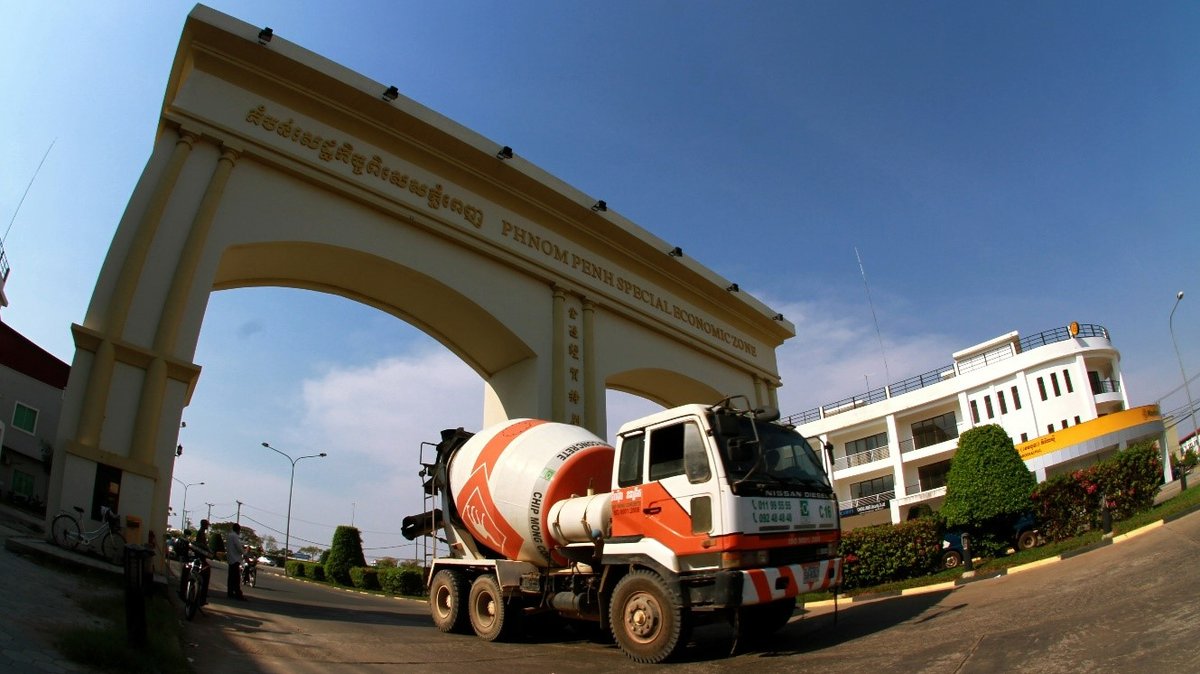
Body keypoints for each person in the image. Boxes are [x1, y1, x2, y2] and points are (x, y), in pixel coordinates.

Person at [179, 519, 212, 605]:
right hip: (199, 556)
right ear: (204, 525)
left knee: (206, 571)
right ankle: (199, 597)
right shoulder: (200, 533)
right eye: (206, 524)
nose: (207, 526)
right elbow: (200, 545)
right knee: (189, 568)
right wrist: (206, 549)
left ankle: (202, 596)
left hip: (200, 556)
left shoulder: (202, 533)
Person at [225, 523, 247, 600]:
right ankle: (238, 594)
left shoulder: (229, 535)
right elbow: (239, 547)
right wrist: (245, 553)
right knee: (236, 578)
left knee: (230, 577)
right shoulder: (235, 536)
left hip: (230, 558)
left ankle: (230, 592)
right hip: (235, 559)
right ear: (238, 530)